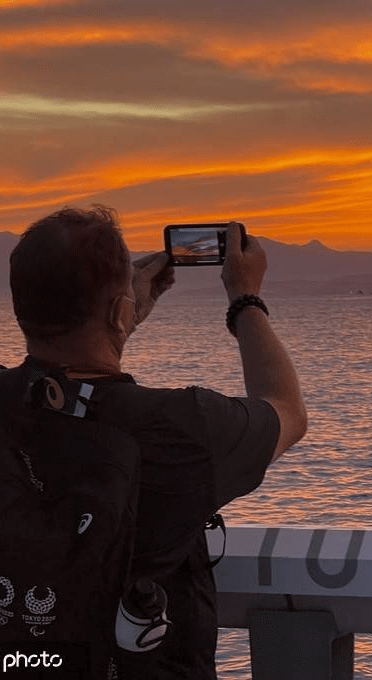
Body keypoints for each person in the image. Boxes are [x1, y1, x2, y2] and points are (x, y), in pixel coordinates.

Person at [2, 206, 307, 678]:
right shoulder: (182, 427)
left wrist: (118, 318)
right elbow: (286, 409)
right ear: (117, 309)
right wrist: (245, 300)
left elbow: (70, 383)